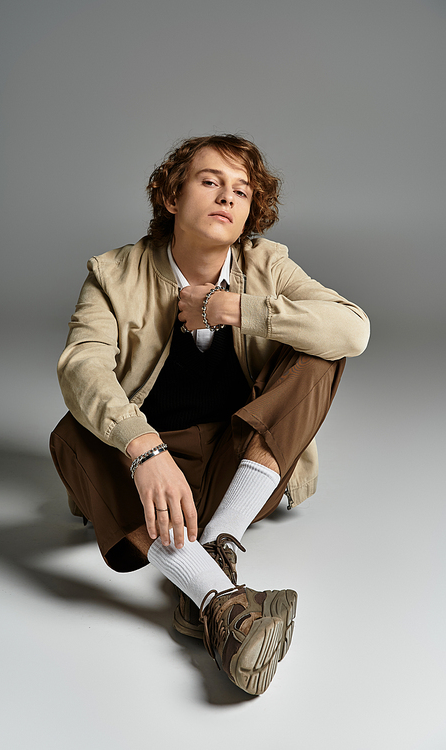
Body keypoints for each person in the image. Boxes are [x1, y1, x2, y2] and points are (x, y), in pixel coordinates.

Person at [50, 134, 370, 695]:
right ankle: (223, 602)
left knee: (319, 350)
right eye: (210, 181)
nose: (227, 196)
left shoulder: (266, 264)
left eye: (242, 190)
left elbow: (353, 329)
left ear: (251, 213)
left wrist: (238, 310)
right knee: (70, 434)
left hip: (240, 465)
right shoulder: (115, 274)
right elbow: (82, 368)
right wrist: (144, 449)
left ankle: (214, 552)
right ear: (172, 197)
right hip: (152, 480)